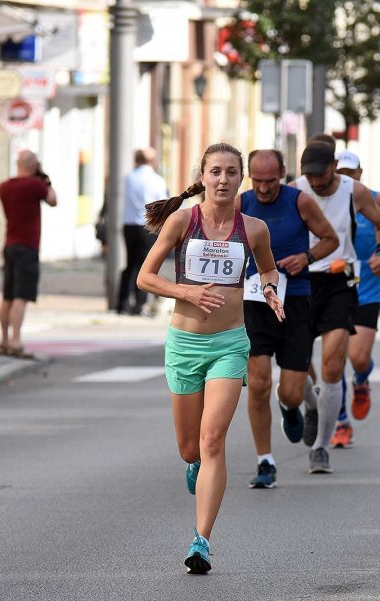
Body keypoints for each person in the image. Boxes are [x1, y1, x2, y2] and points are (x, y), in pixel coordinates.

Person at [137, 143, 284, 574]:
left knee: (212, 439)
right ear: (202, 175)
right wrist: (185, 291)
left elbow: (268, 268)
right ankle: (194, 466)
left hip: (229, 343)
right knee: (189, 449)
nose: (223, 180)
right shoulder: (183, 221)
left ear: (243, 179)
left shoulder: (254, 229)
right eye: (216, 171)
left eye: (231, 172)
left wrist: (270, 290)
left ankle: (201, 540)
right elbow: (145, 276)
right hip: (184, 344)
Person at [291, 140, 380, 474]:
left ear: (333, 167)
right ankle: (311, 404)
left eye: (321, 177)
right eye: (310, 178)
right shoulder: (294, 191)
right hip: (300, 281)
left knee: (333, 365)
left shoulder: (356, 191)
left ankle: (321, 447)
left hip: (340, 282)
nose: (316, 184)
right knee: (295, 369)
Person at [239, 148, 338, 488]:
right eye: (257, 181)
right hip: (254, 300)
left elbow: (330, 239)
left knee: (292, 392)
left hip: (295, 300)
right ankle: (265, 460)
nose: (264, 189)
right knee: (259, 382)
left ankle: (295, 407)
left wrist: (305, 257)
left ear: (283, 173)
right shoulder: (241, 204)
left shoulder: (300, 201)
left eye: (271, 181)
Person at [329, 149, 380, 449]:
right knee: (336, 359)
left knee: (358, 358)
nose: (345, 178)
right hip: (333, 289)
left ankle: (363, 378)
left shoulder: (374, 199)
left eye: (350, 173)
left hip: (366, 288)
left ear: (360, 173)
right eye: (339, 172)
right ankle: (342, 422)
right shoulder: (322, 202)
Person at [0, 149, 57, 359]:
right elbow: (53, 200)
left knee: (7, 296)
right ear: (34, 166)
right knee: (21, 296)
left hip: (9, 244)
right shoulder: (35, 185)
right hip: (28, 246)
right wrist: (44, 178)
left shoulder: (4, 187)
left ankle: (3, 340)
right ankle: (16, 341)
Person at [118, 147, 168, 315]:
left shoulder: (128, 178)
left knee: (129, 264)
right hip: (148, 226)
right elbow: (162, 204)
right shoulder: (157, 180)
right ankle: (139, 304)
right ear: (152, 161)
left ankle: (122, 302)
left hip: (129, 224)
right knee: (146, 265)